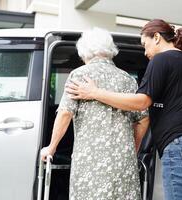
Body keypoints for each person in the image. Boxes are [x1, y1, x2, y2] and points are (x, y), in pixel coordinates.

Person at [66, 19, 182, 200]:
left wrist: (95, 92)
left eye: (145, 45)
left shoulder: (161, 59)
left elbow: (141, 102)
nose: (145, 52)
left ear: (157, 37)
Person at [41, 27, 149, 200]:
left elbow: (65, 113)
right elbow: (143, 119)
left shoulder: (80, 75)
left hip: (90, 162)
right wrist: (132, 149)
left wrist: (51, 147)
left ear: (85, 51)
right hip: (124, 162)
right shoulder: (128, 79)